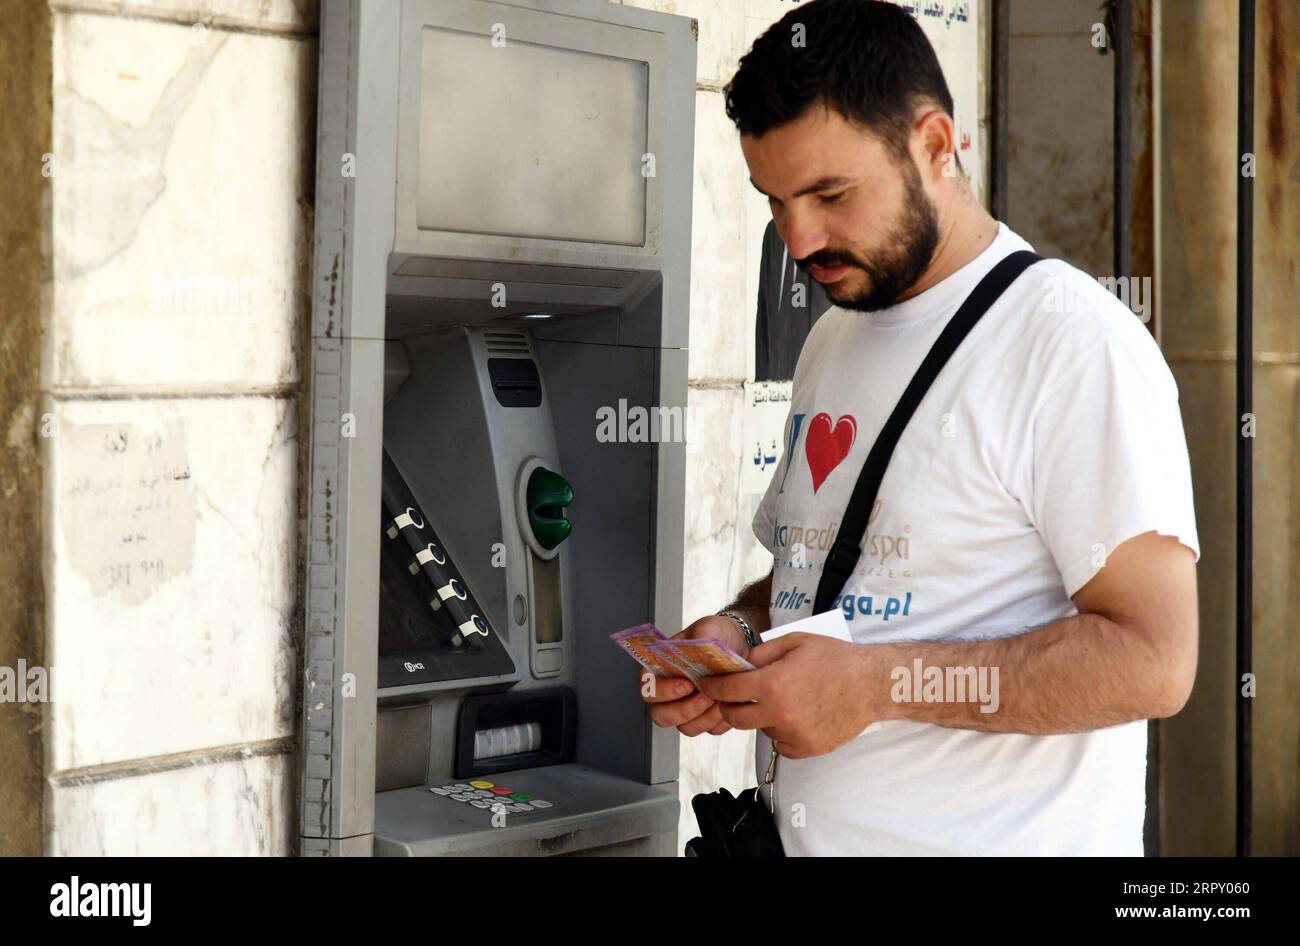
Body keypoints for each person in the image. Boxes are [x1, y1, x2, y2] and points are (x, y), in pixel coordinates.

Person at [642, 0, 1200, 856]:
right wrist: (740, 637)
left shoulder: (1074, 343)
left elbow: (1154, 660)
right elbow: (819, 574)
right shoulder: (834, 335)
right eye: (774, 201)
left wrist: (872, 688)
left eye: (830, 194)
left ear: (937, 146)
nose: (799, 240)